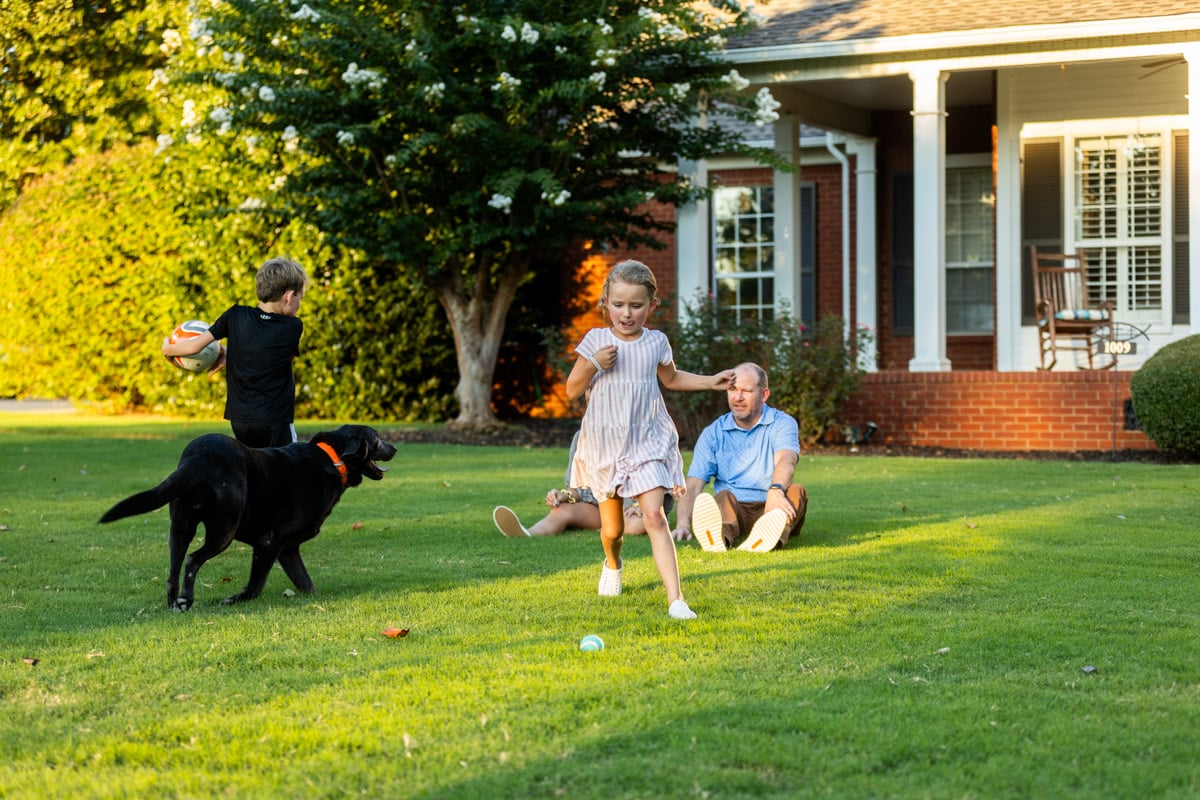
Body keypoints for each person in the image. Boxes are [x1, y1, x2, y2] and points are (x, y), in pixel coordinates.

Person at [565, 259, 734, 620]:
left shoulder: (656, 341)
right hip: (606, 445)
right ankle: (613, 563)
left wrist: (711, 380)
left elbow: (671, 379)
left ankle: (676, 600)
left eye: (636, 305)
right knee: (612, 530)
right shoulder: (596, 340)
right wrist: (595, 363)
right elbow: (571, 390)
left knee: (655, 515)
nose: (627, 314)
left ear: (651, 306)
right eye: (619, 304)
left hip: (647, 441)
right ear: (606, 302)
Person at [162, 256, 308, 448]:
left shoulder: (235, 315)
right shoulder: (292, 326)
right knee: (288, 471)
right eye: (300, 297)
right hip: (274, 419)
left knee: (255, 469)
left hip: (240, 420)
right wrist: (230, 356)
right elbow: (267, 358)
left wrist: (167, 348)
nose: (299, 304)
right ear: (289, 296)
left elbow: (193, 347)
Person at [671, 362, 808, 553]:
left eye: (746, 391)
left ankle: (771, 536)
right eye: (733, 389)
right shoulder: (713, 433)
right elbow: (693, 485)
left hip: (771, 505)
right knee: (723, 497)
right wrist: (683, 524)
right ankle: (719, 539)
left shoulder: (783, 423)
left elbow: (786, 460)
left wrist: (776, 490)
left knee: (797, 492)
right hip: (733, 509)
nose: (738, 397)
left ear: (764, 395)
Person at [492, 430, 671, 537]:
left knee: (639, 523)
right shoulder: (582, 437)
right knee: (561, 510)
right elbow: (578, 487)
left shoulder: (642, 432)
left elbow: (661, 479)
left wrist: (640, 505)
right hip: (599, 508)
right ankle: (527, 533)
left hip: (632, 510)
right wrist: (564, 495)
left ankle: (612, 530)